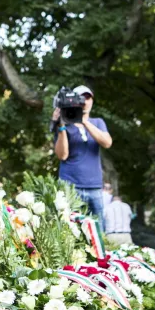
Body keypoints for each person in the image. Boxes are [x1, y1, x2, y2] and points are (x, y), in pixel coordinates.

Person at [52, 85, 113, 228]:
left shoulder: (98, 122)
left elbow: (107, 143)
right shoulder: (65, 123)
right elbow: (62, 155)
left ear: (92, 101)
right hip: (70, 186)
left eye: (88, 97)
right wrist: (61, 126)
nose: (85, 101)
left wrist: (83, 121)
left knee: (98, 231)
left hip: (94, 186)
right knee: (70, 230)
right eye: (81, 98)